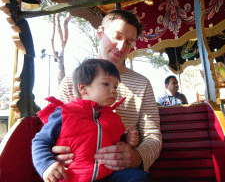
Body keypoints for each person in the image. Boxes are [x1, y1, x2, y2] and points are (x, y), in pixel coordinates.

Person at [53, 10, 162, 181]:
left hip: (121, 173)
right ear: (100, 33)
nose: (121, 47)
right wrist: (52, 156)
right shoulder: (72, 81)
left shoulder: (142, 84)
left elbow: (152, 135)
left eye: (129, 41)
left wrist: (137, 157)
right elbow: (52, 129)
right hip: (78, 169)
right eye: (116, 36)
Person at [32, 59, 139, 182]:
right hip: (73, 177)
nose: (113, 90)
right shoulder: (64, 113)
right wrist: (47, 165)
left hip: (108, 175)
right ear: (83, 88)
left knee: (138, 177)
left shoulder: (112, 117)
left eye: (115, 86)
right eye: (106, 84)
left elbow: (114, 141)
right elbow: (40, 141)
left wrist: (128, 140)